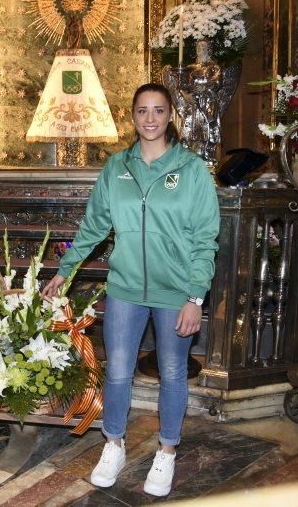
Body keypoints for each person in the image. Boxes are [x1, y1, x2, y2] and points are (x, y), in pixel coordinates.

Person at [42, 82, 219, 496]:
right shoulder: (116, 168)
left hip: (175, 291)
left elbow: (205, 238)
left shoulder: (191, 170)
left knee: (173, 372)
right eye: (143, 110)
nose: (151, 118)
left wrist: (196, 296)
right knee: (118, 370)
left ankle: (167, 452)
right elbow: (93, 227)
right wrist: (63, 272)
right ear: (133, 116)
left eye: (159, 110)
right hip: (124, 288)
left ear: (170, 115)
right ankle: (114, 444)